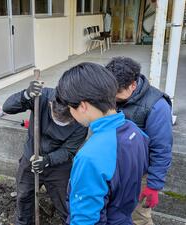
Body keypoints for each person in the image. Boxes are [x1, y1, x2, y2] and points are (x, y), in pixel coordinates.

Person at [56, 62, 149, 224]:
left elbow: (85, 219)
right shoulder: (134, 131)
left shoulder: (90, 156)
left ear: (83, 106)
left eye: (71, 107)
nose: (70, 112)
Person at [3, 81, 88, 224]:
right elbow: (7, 107)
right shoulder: (41, 98)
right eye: (57, 117)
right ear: (51, 104)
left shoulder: (80, 121)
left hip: (58, 165)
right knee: (24, 196)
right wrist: (25, 95)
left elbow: (69, 150)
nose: (60, 123)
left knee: (66, 203)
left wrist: (48, 160)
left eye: (65, 121)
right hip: (31, 157)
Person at [106, 57, 173, 225]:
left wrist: (153, 186)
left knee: (139, 217)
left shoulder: (157, 106)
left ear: (133, 85)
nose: (111, 97)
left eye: (117, 93)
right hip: (113, 168)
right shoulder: (110, 92)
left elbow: (161, 149)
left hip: (138, 174)